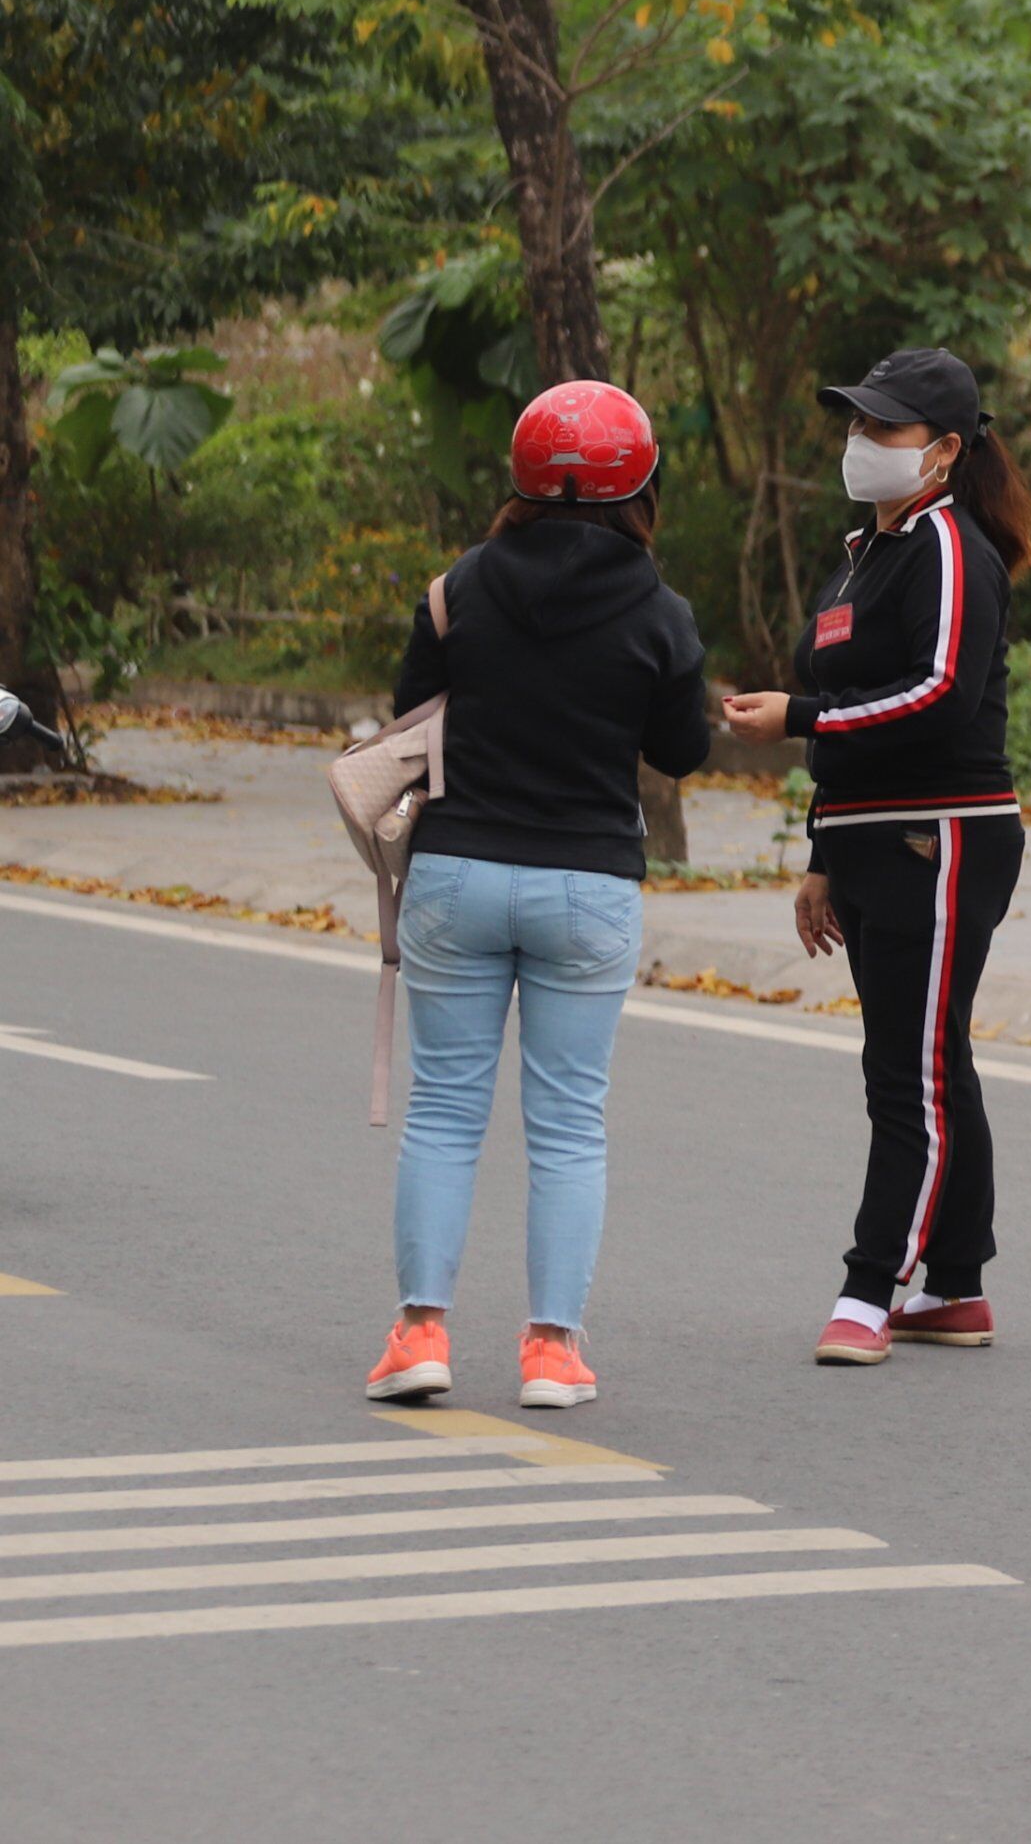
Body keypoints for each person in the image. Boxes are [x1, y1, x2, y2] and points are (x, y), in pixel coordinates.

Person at [365, 382, 711, 1414]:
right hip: (587, 886)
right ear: (641, 486)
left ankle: (419, 1334)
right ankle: (552, 1353)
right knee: (567, 1126)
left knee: (443, 1110)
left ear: (520, 476)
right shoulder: (659, 611)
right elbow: (682, 752)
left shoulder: (458, 590)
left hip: (458, 874)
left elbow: (409, 715)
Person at [719, 348, 1031, 1368]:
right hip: (870, 835)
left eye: (884, 427)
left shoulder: (950, 546)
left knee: (909, 1071)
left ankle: (869, 1291)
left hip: (942, 833)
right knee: (930, 1057)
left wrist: (798, 717)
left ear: (944, 451)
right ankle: (955, 1285)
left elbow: (938, 695)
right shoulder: (867, 549)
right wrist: (823, 851)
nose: (861, 442)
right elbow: (850, 714)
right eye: (856, 423)